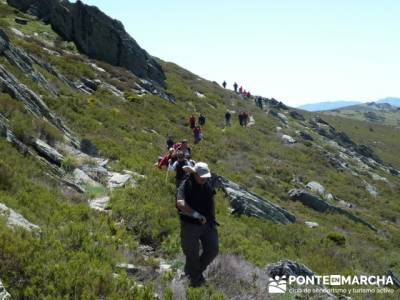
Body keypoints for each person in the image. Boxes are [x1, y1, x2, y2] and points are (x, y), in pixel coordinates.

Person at [176, 162, 218, 287]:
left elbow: (211, 202)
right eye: (202, 176)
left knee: (213, 249)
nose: (204, 178)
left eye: (206, 176)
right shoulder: (185, 185)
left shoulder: (207, 185)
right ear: (195, 174)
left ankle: (195, 273)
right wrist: (196, 215)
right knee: (192, 254)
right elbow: (180, 204)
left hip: (208, 224)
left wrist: (212, 218)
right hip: (190, 225)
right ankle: (193, 279)